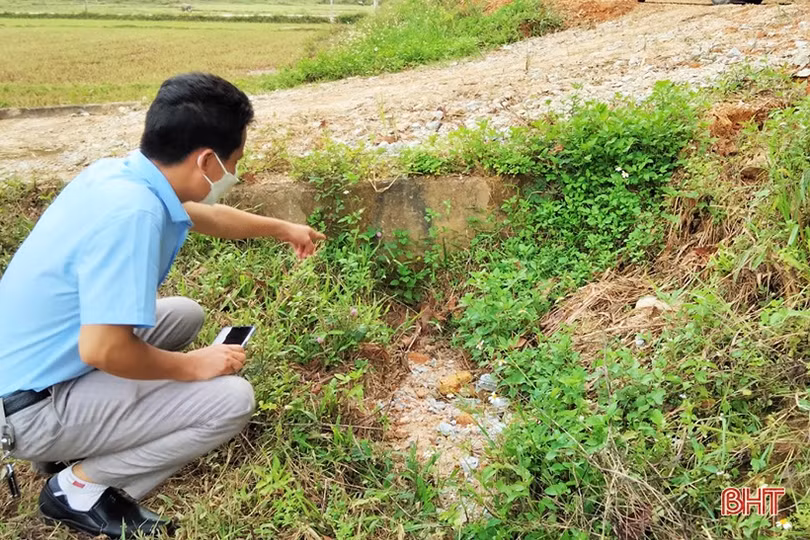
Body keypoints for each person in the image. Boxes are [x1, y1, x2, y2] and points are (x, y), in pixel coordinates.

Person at [0, 72, 325, 538]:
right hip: (25, 410)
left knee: (184, 313)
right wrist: (192, 366)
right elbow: (104, 350)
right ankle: (77, 488)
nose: (233, 174)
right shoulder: (133, 215)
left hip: (30, 368)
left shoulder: (119, 176)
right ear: (207, 160)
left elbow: (209, 216)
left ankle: (64, 446)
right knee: (231, 400)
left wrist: (282, 228)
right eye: (234, 162)